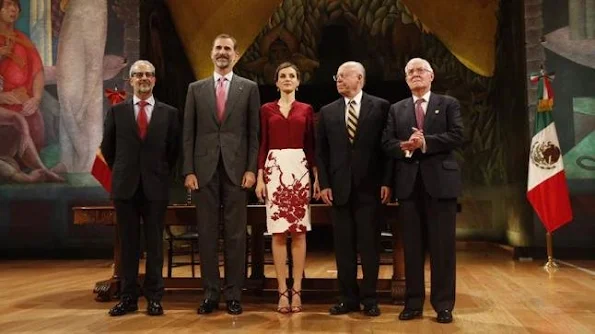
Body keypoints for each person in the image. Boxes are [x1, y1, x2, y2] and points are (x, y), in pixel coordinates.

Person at [183, 34, 260, 316]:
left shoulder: (249, 88)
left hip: (238, 171)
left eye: (228, 48)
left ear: (236, 54)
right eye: (218, 47)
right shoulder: (195, 89)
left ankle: (234, 294)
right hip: (203, 172)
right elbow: (188, 133)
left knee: (236, 235)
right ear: (211, 53)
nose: (223, 52)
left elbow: (254, 134)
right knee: (206, 233)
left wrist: (252, 168)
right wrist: (188, 170)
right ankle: (210, 293)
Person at [382, 58, 463, 324]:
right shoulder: (397, 109)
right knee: (412, 248)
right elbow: (387, 143)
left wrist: (426, 142)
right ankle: (413, 303)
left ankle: (443, 305)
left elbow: (458, 136)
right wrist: (406, 145)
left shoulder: (448, 104)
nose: (415, 75)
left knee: (442, 248)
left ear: (431, 76)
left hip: (441, 184)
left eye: (420, 71)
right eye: (410, 72)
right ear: (406, 79)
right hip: (408, 185)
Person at [101, 60, 181, 317]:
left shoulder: (169, 113)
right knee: (128, 246)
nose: (143, 78)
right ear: (131, 80)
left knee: (156, 245)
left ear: (154, 80)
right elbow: (108, 150)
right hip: (125, 188)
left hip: (155, 187)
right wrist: (125, 172)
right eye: (138, 75)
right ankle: (128, 298)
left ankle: (155, 298)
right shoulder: (116, 112)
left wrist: (157, 172)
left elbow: (174, 151)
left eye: (148, 74)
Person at [316, 61, 392, 317]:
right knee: (344, 248)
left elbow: (387, 150)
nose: (337, 79)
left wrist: (386, 181)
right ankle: (347, 298)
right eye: (336, 76)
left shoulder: (380, 107)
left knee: (370, 246)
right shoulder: (327, 112)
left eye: (343, 76)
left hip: (370, 189)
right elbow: (321, 153)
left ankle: (370, 298)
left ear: (359, 77)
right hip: (338, 190)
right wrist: (324, 184)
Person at [255, 62, 319, 313]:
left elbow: (311, 146)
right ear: (276, 81)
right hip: (274, 169)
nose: (287, 79)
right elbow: (262, 144)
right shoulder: (266, 109)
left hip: (299, 169)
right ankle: (282, 291)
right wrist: (260, 177)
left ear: (298, 81)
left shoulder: (306, 109)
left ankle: (297, 291)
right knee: (279, 232)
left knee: (300, 232)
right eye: (283, 75)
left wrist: (316, 177)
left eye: (292, 75)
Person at [0, 0, 45, 152]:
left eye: (15, 5)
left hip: (24, 104)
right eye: (7, 5)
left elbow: (38, 70)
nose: (13, 9)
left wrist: (36, 98)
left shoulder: (23, 40)